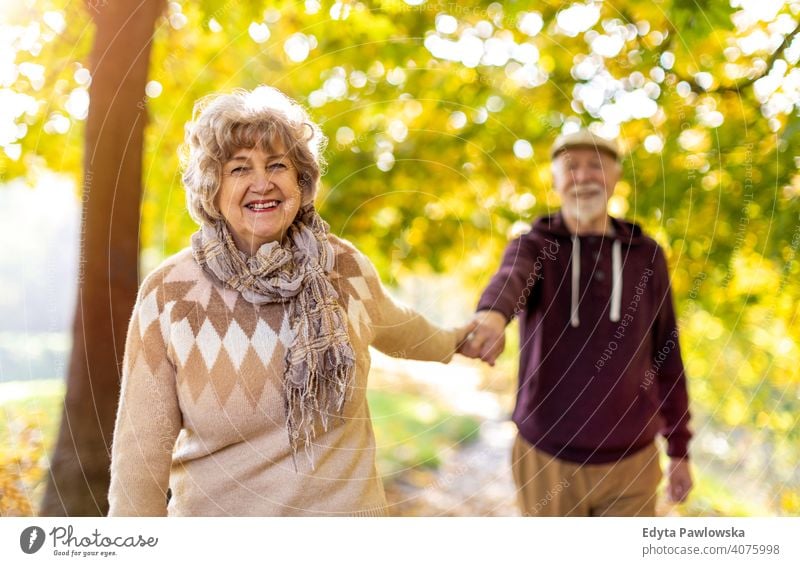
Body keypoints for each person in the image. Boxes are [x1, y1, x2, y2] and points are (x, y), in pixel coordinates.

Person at [107, 86, 474, 516]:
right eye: (239, 168)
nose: (262, 183)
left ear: (301, 181)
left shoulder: (343, 268)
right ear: (211, 186)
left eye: (277, 164)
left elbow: (402, 328)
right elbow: (139, 459)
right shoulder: (170, 293)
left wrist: (459, 340)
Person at [461, 130, 692, 516]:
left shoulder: (647, 254)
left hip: (633, 461)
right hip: (546, 457)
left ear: (616, 177)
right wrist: (491, 317)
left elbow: (667, 353)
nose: (583, 177)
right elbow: (510, 280)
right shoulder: (534, 245)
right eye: (571, 168)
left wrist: (680, 449)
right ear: (554, 180)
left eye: (596, 166)